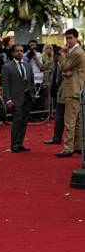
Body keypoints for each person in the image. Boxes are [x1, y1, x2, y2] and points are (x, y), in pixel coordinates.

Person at [55, 28, 85, 157]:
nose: (68, 41)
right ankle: (78, 146)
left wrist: (62, 54)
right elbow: (65, 70)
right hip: (77, 89)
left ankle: (68, 148)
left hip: (73, 90)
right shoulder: (76, 52)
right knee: (77, 121)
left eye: (70, 38)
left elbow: (65, 67)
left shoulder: (76, 53)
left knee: (70, 121)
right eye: (66, 38)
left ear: (76, 38)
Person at [2, 44, 34, 152]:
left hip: (27, 97)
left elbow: (31, 81)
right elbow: (5, 84)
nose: (19, 52)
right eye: (17, 51)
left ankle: (20, 143)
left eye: (21, 50)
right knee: (17, 121)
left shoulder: (28, 66)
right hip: (15, 98)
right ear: (13, 53)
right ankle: (14, 144)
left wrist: (32, 94)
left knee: (24, 122)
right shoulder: (7, 66)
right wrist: (8, 99)